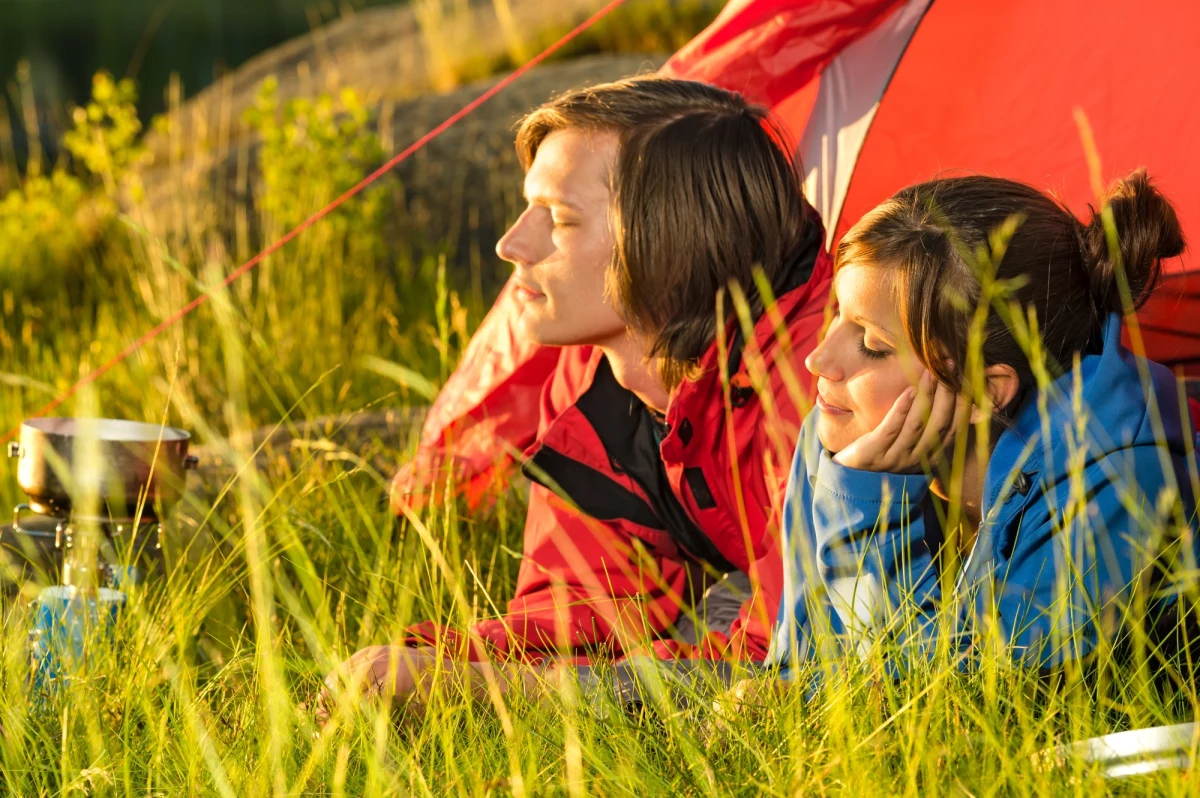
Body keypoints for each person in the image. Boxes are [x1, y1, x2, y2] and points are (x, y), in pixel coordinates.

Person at [320, 76, 835, 716]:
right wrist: (446, 660)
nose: (513, 245)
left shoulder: (825, 383)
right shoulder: (594, 373)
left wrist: (485, 692)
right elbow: (585, 596)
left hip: (928, 625)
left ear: (670, 243)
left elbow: (793, 655)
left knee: (722, 652)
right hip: (755, 601)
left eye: (559, 219)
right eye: (527, 209)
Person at [770, 169, 1198, 680]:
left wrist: (869, 521)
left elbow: (971, 711)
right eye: (836, 315)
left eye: (873, 345)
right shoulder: (846, 434)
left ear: (987, 389)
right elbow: (802, 673)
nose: (818, 360)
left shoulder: (1116, 481)